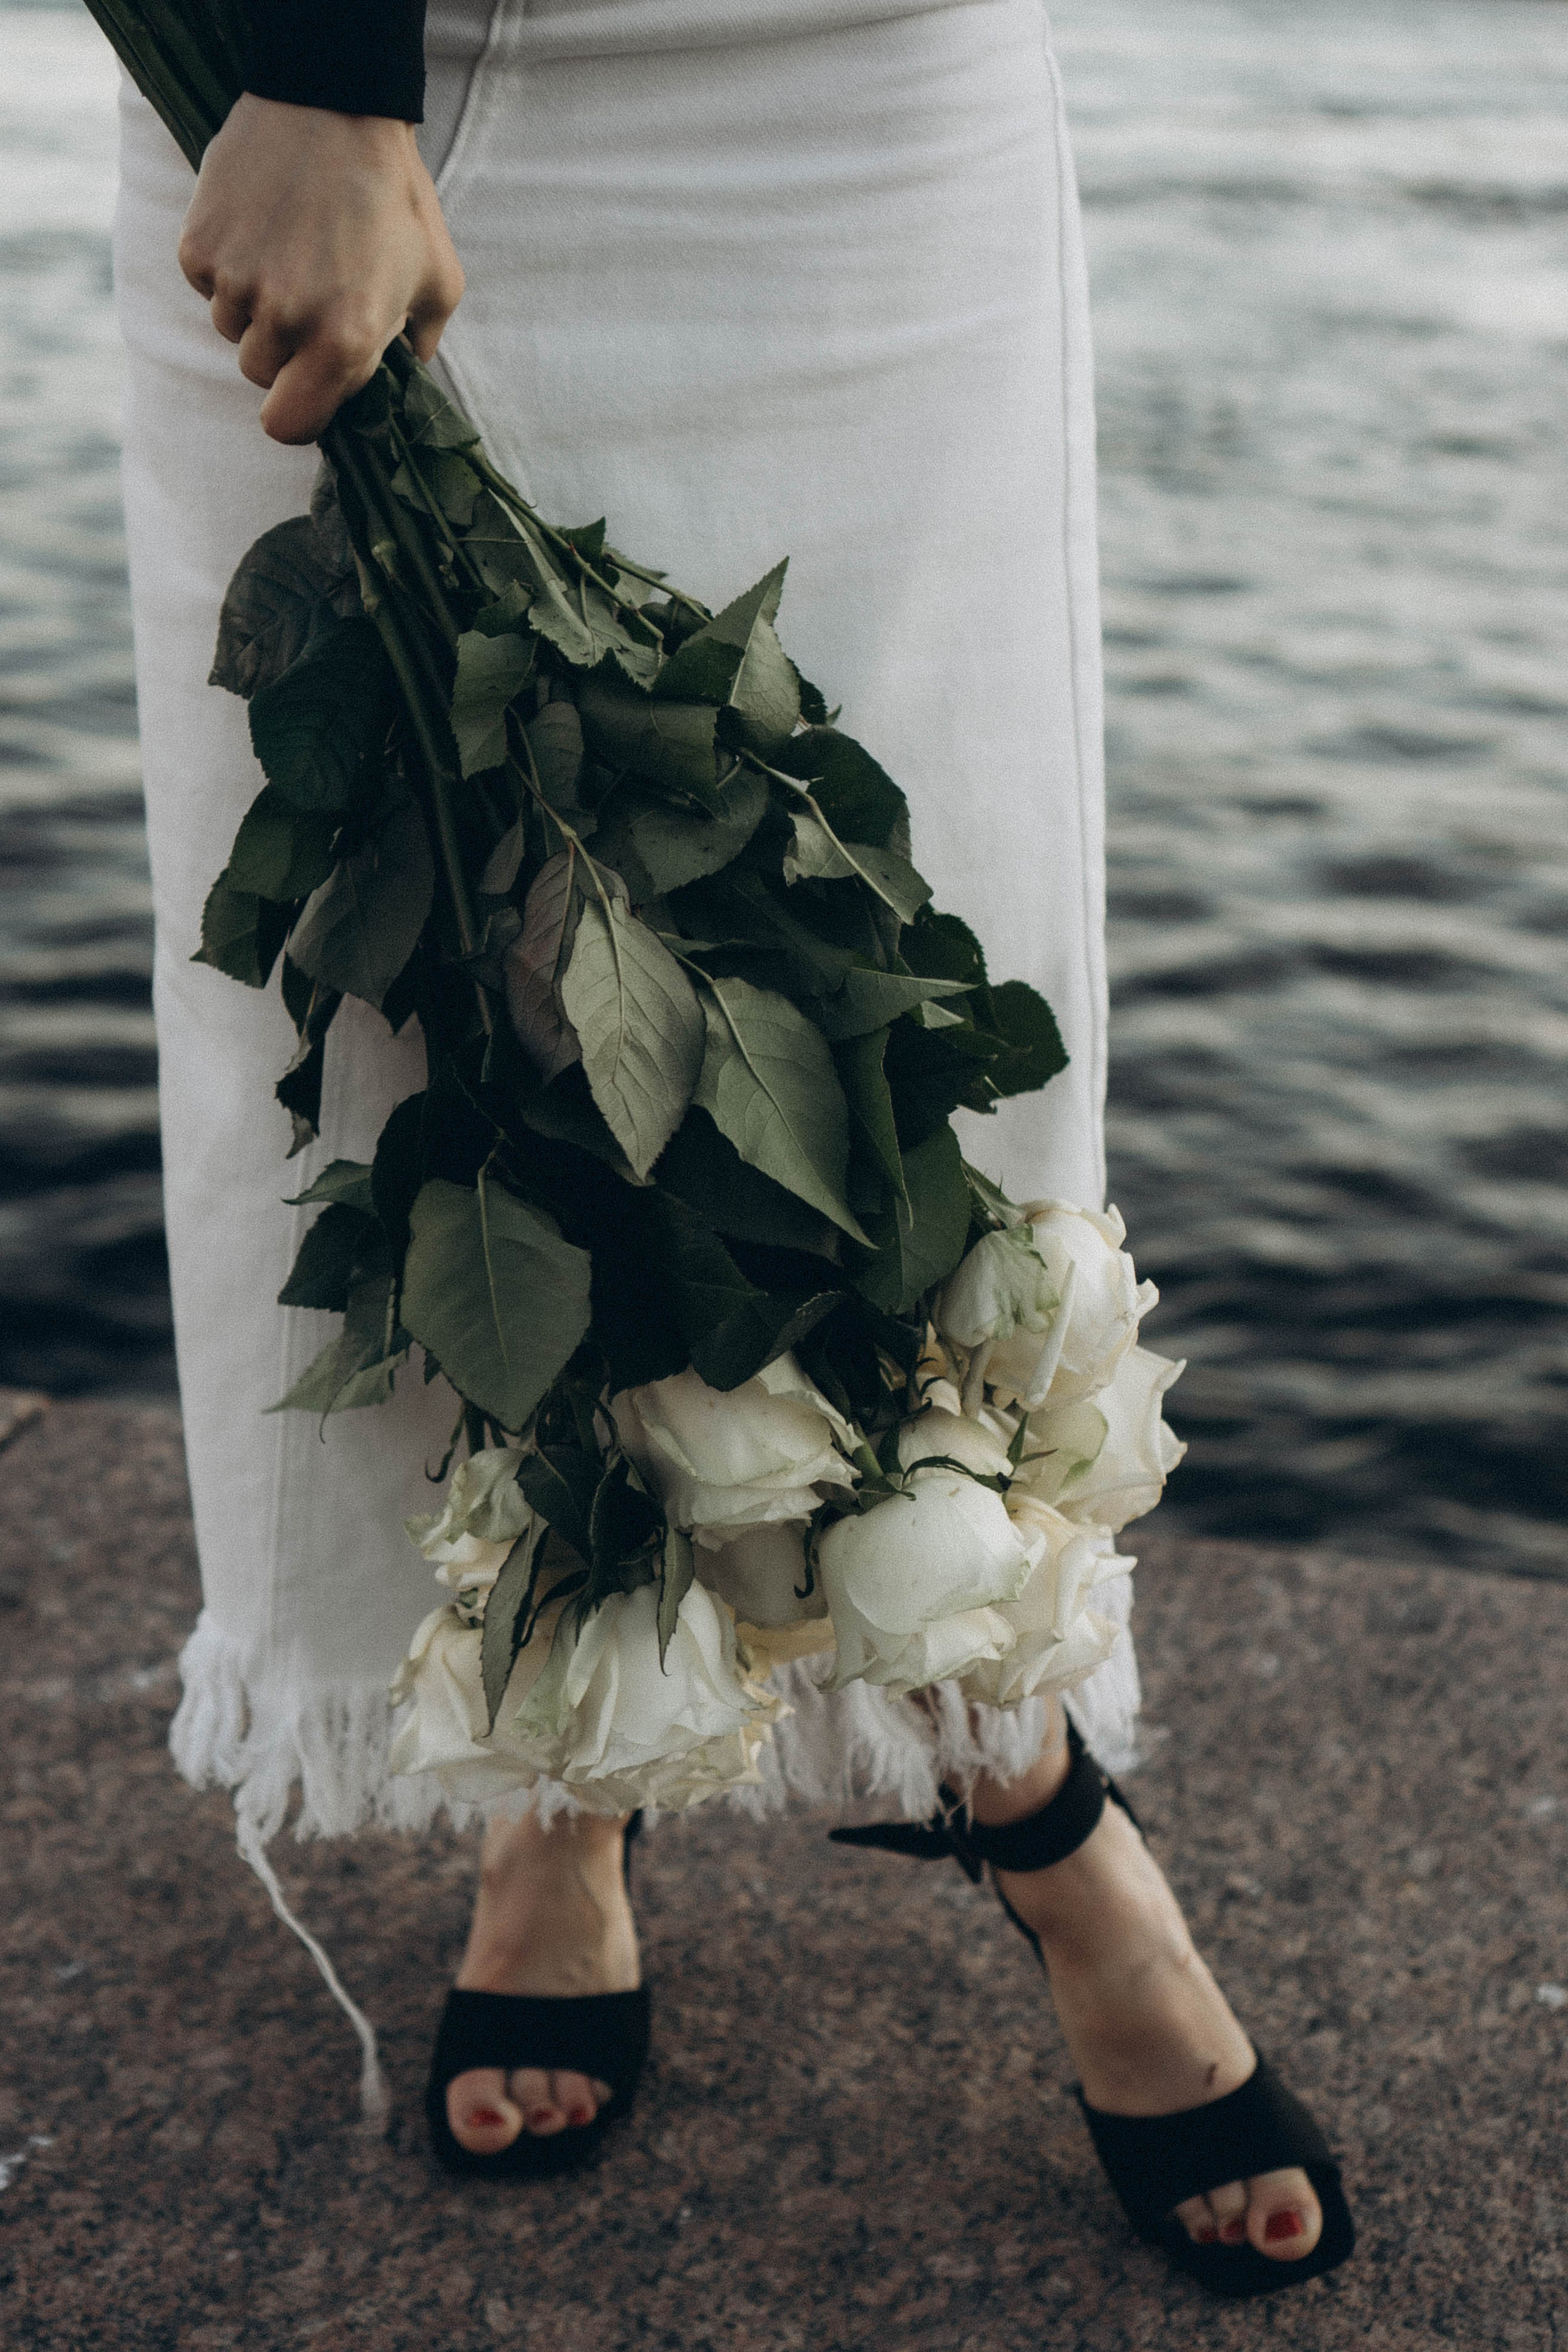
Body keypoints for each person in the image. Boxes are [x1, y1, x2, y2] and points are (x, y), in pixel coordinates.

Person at [111, 0, 1354, 2296]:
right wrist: (320, 59)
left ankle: (1025, 1782)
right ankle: (568, 1766)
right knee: (419, 993)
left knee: (886, 969)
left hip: (845, 80)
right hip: (346, 82)